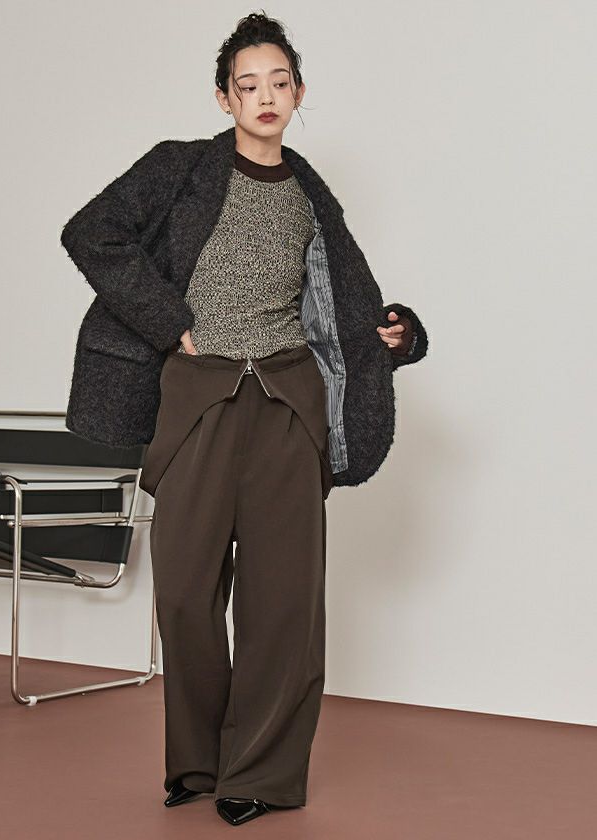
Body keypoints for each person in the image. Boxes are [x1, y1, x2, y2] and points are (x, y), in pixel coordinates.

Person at [60, 11, 428, 828]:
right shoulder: (181, 168)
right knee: (185, 594)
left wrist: (401, 334)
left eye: (279, 82)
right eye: (247, 84)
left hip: (288, 406)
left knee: (282, 605)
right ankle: (197, 763)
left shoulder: (310, 195)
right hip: (200, 399)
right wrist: (167, 320)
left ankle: (259, 774)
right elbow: (91, 232)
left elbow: (346, 307)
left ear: (299, 92)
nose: (265, 96)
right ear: (224, 97)